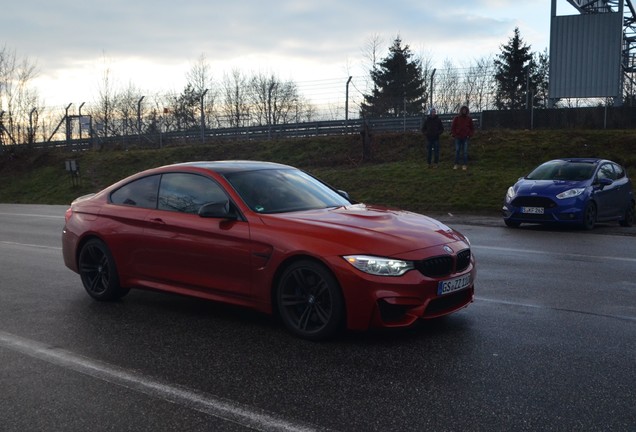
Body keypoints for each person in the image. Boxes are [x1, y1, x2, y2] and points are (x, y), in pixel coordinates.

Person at [450, 105, 475, 170]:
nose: (464, 111)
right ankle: (456, 164)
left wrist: (470, 135)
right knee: (457, 151)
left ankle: (464, 165)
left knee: (465, 151)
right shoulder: (456, 118)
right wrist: (455, 135)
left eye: (465, 110)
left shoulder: (469, 119)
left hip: (465, 137)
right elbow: (453, 127)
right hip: (458, 137)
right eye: (463, 110)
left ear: (467, 111)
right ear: (461, 110)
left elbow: (472, 128)